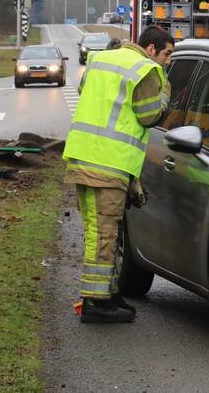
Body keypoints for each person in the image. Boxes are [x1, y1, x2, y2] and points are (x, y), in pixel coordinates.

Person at [62, 26, 174, 324]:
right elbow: (149, 115)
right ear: (151, 49)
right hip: (109, 164)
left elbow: (88, 94)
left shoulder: (100, 59)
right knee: (105, 234)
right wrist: (165, 93)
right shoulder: (146, 70)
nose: (168, 61)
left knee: (96, 232)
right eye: (167, 54)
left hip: (83, 157)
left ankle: (106, 294)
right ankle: (96, 304)